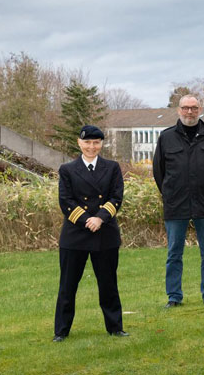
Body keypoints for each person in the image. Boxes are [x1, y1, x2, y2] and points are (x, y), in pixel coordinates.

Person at [53, 125, 128, 342]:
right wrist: (87, 220)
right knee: (68, 286)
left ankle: (115, 328)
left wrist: (100, 218)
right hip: (75, 235)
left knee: (108, 285)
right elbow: (65, 201)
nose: (91, 147)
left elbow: (116, 197)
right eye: (87, 142)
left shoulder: (112, 167)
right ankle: (61, 331)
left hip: (105, 233)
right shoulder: (67, 169)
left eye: (96, 143)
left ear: (101, 144)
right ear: (79, 143)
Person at [153, 94, 204, 308]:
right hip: (177, 204)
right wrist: (170, 193)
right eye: (185, 108)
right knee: (174, 253)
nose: (190, 112)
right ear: (179, 110)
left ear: (200, 109)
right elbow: (159, 172)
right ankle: (174, 297)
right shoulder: (166, 138)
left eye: (193, 108)